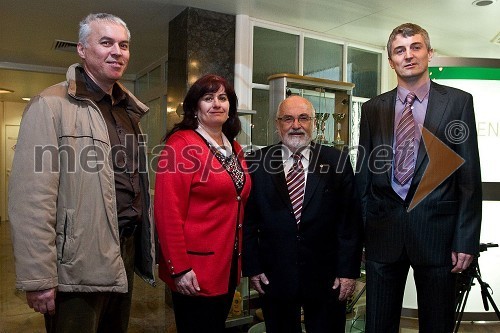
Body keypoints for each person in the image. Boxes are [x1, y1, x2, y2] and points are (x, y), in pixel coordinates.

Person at [8, 13, 156, 333]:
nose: (117, 51)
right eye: (106, 43)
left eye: (124, 45)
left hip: (124, 250)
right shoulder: (49, 105)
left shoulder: (128, 111)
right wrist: (39, 278)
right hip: (77, 260)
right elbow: (32, 199)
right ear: (82, 49)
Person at [356, 23, 482, 333]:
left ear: (429, 53)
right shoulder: (373, 108)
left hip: (438, 236)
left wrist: (465, 240)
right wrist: (359, 237)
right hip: (383, 235)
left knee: (437, 325)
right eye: (400, 50)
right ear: (391, 61)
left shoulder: (457, 102)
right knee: (377, 326)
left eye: (415, 47)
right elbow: (364, 177)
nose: (408, 55)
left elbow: (468, 178)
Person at [243, 95, 363, 333]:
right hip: (274, 278)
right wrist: (253, 268)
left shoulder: (336, 161)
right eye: (288, 118)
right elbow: (247, 222)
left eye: (303, 118)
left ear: (314, 123)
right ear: (278, 125)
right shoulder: (256, 162)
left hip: (327, 278)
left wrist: (348, 272)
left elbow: (349, 222)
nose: (295, 125)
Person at [154, 74, 252, 333]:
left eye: (223, 98)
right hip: (195, 271)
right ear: (195, 107)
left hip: (228, 265)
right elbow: (167, 213)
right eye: (208, 98)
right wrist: (180, 268)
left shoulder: (234, 148)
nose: (216, 104)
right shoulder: (181, 146)